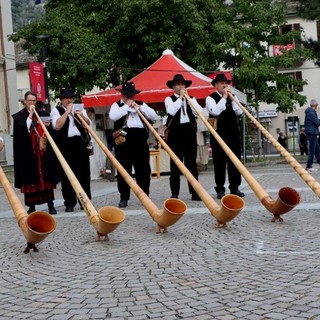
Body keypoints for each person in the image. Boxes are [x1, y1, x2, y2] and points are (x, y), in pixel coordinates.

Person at [109, 82, 157, 208]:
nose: (130, 98)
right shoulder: (117, 105)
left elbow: (154, 116)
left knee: (144, 169)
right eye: (127, 95)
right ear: (122, 95)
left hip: (140, 138)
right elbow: (113, 117)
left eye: (132, 95)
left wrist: (140, 108)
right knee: (124, 170)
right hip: (124, 140)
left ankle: (145, 196)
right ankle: (124, 197)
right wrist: (126, 106)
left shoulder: (141, 104)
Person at [12, 91, 58, 214]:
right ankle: (31, 206)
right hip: (28, 152)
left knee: (46, 177)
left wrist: (47, 125)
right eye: (29, 100)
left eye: (34, 100)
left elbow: (49, 132)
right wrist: (31, 115)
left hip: (42, 152)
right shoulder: (19, 116)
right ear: (25, 101)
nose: (32, 103)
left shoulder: (43, 113)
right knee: (30, 179)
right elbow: (24, 129)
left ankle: (50, 204)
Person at [51, 86, 92, 212]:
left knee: (84, 174)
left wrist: (81, 117)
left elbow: (88, 124)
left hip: (80, 143)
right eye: (66, 98)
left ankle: (85, 201)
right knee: (68, 175)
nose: (69, 100)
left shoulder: (79, 109)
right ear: (61, 99)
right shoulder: (56, 110)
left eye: (70, 97)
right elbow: (57, 126)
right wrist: (67, 112)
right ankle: (69, 202)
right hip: (66, 145)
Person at [205, 73, 244, 199]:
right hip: (218, 135)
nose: (224, 85)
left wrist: (232, 99)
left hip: (232, 134)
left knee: (234, 161)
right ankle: (220, 189)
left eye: (226, 83)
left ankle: (235, 187)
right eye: (221, 83)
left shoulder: (232, 97)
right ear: (216, 85)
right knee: (219, 163)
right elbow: (215, 111)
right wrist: (224, 97)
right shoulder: (210, 98)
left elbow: (240, 111)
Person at [164, 74, 203, 201]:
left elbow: (199, 111)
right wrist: (180, 98)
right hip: (176, 134)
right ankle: (175, 193)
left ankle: (195, 192)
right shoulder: (169, 99)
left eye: (183, 84)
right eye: (178, 84)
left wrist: (188, 100)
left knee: (191, 164)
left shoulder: (191, 98)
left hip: (189, 133)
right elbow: (171, 111)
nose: (181, 86)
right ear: (173, 87)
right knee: (175, 164)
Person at [304, 99, 320, 172]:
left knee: (317, 150)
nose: (317, 106)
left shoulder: (310, 112)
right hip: (312, 133)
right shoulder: (311, 113)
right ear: (314, 105)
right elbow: (317, 123)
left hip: (312, 133)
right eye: (317, 104)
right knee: (312, 151)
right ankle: (308, 166)